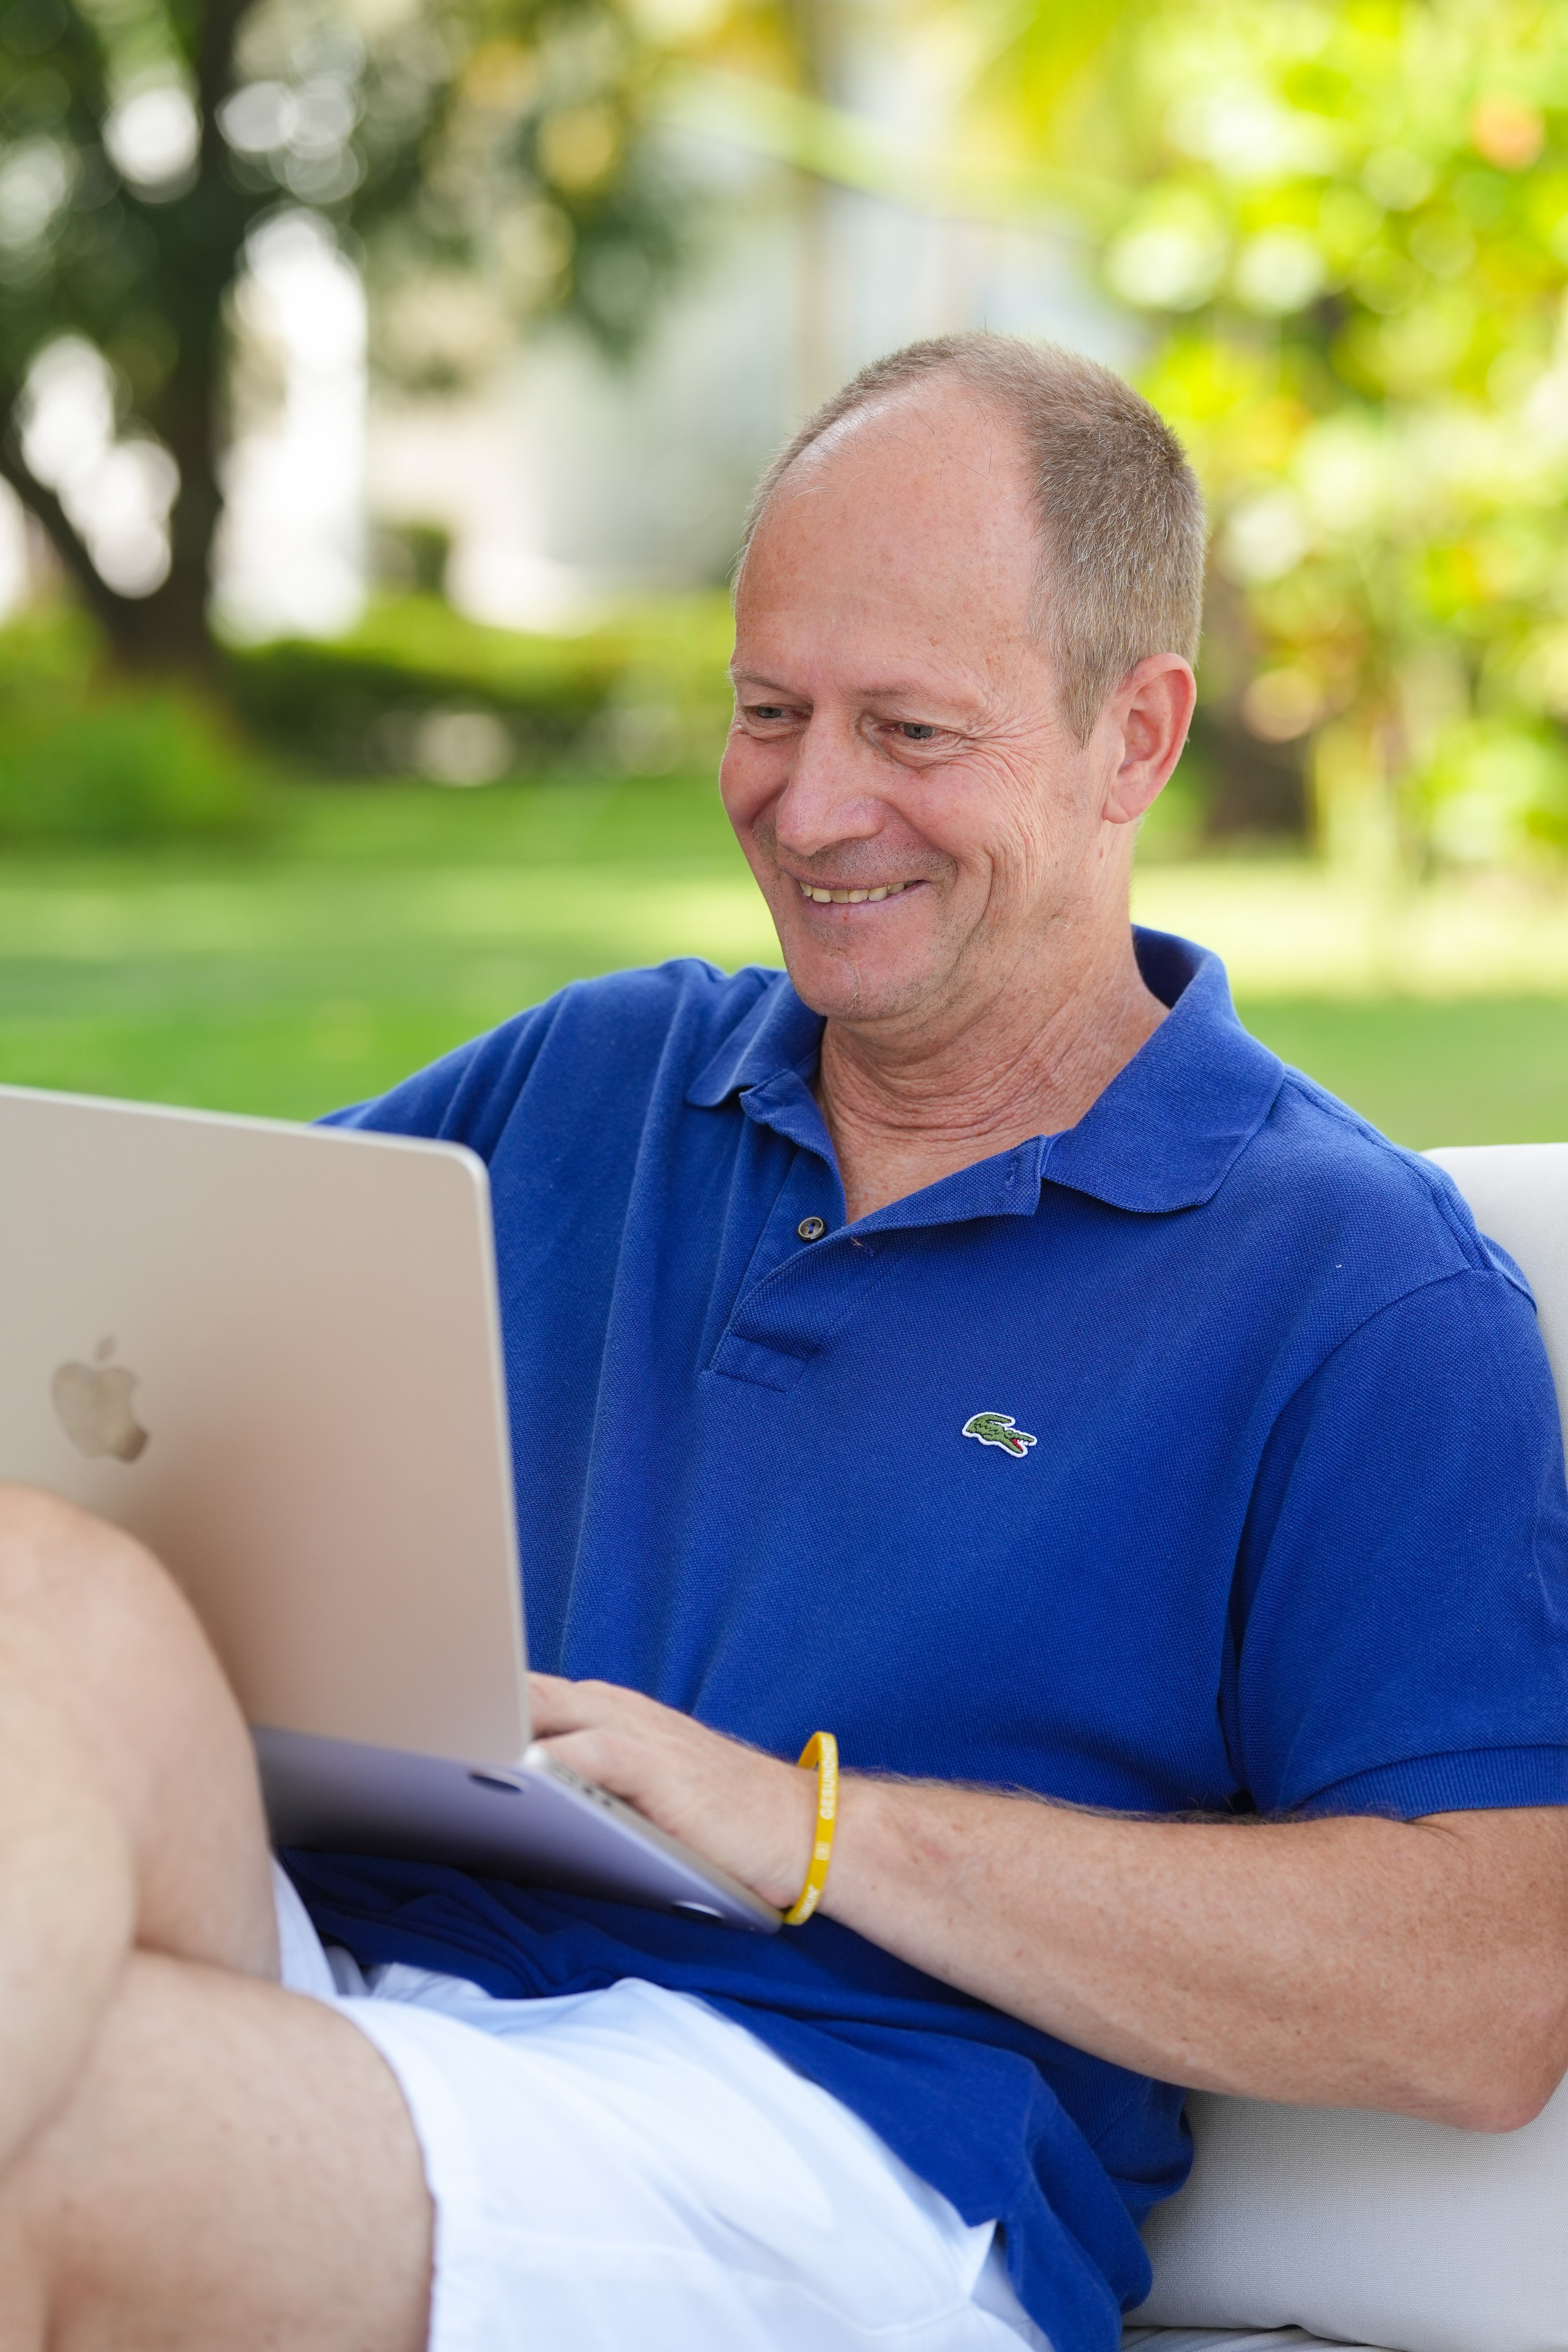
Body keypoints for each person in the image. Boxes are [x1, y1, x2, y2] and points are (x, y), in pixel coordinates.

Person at [3, 331, 1568, 2352]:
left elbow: (1487, 1994)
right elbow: (112, 1360)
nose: (813, 807)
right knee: (47, 1586)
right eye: (767, 712)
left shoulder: (1352, 1287)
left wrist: (809, 1827)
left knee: (85, 2147)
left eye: (910, 730)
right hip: (367, 1984)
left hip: (828, 2141)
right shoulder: (592, 1078)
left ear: (1135, 737)